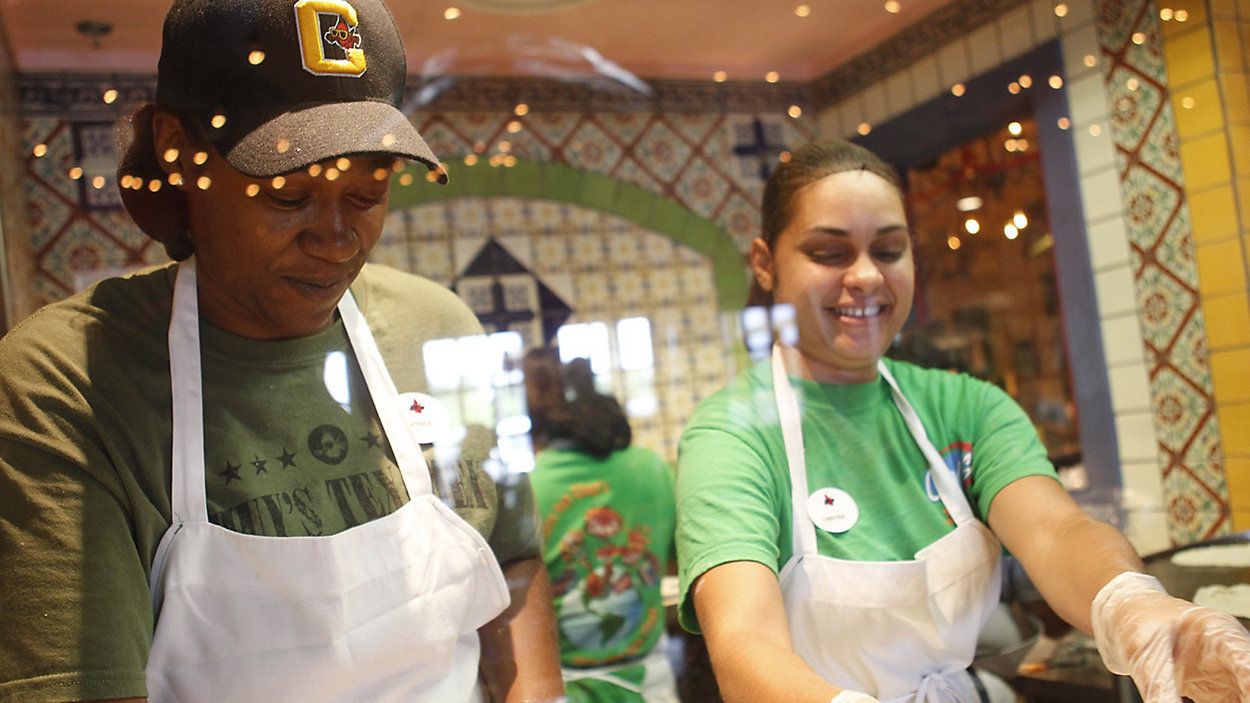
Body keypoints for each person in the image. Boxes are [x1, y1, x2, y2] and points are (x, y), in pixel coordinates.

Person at [0, 0, 565, 701]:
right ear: (177, 147)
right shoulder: (67, 382)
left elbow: (510, 560)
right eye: (288, 194)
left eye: (366, 193)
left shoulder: (438, 327)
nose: (336, 238)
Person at [674, 139, 1250, 703]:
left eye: (889, 250)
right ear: (765, 263)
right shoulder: (734, 435)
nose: (867, 276)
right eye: (830, 253)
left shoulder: (965, 407)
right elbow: (744, 642)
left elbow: (1053, 531)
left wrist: (1131, 603)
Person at [523, 350, 680, 702]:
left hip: (566, 687)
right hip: (650, 684)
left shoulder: (529, 489)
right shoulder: (652, 468)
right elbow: (675, 562)